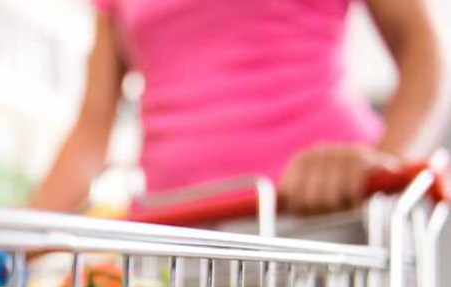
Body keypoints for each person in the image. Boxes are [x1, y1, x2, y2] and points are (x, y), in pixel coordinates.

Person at [30, 0, 446, 216]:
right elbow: (92, 126)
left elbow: (423, 50)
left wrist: (386, 162)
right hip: (177, 235)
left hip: (324, 223)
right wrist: (4, 244)